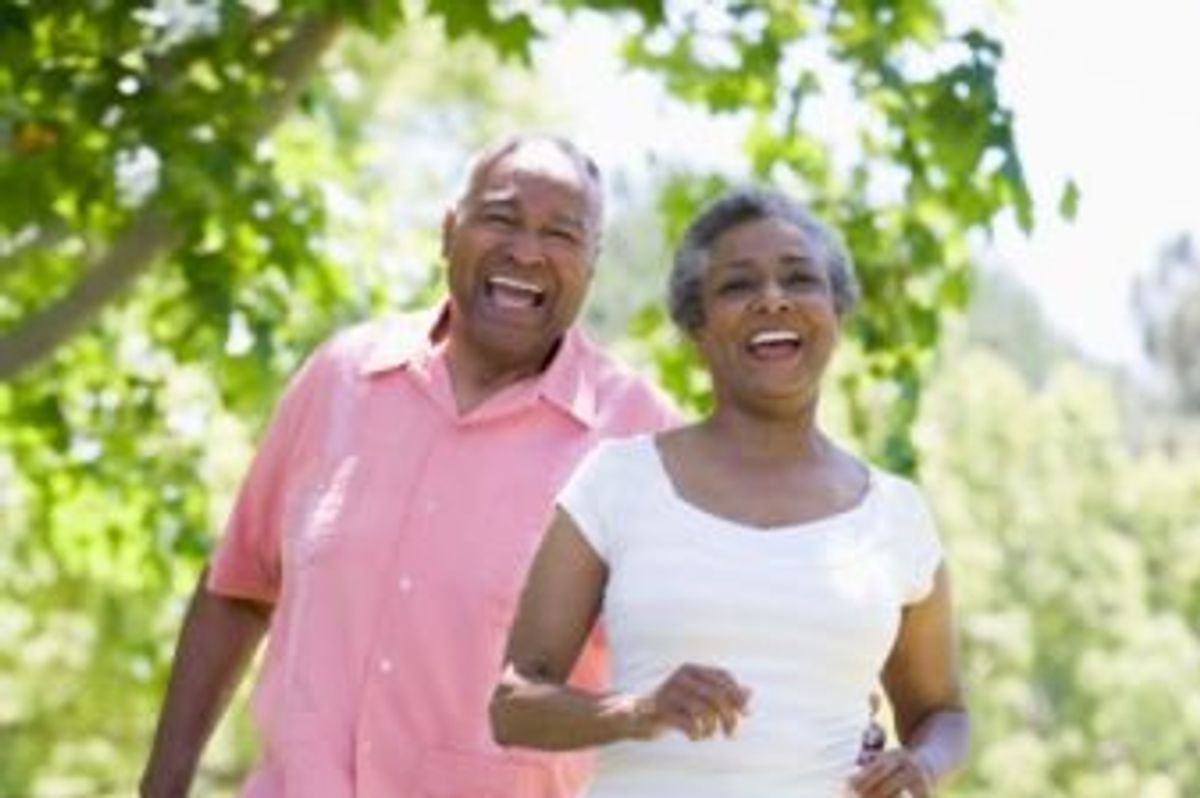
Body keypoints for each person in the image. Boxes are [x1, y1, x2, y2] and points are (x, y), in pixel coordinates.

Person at [140, 135, 678, 798]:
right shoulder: (340, 378)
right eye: (501, 218)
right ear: (449, 231)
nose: (526, 251)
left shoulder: (640, 436)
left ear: (592, 263)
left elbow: (697, 666)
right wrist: (162, 785)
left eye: (561, 234)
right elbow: (237, 588)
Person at [490, 187, 968, 798]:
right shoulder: (619, 480)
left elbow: (942, 713)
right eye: (739, 285)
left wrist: (923, 764)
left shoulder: (894, 514)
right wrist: (637, 711)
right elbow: (513, 704)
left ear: (836, 313)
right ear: (698, 326)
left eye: (800, 279)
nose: (773, 298)